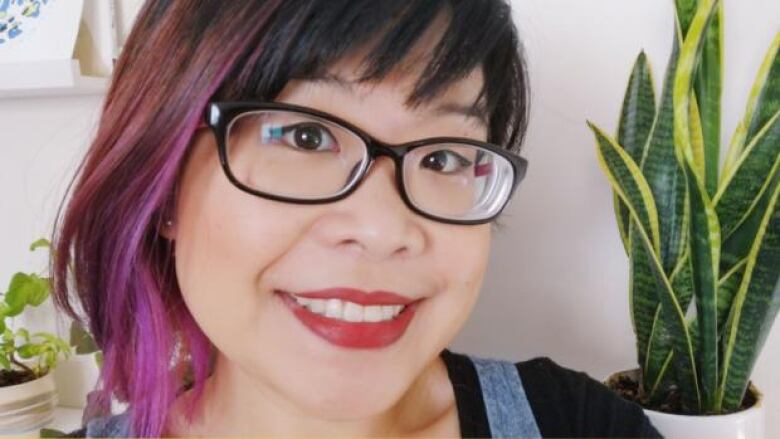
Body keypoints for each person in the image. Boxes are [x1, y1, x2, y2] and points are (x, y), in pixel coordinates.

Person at [50, 1, 662, 437]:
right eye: (306, 136)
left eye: (444, 156)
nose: (383, 229)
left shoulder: (580, 424)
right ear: (164, 183)